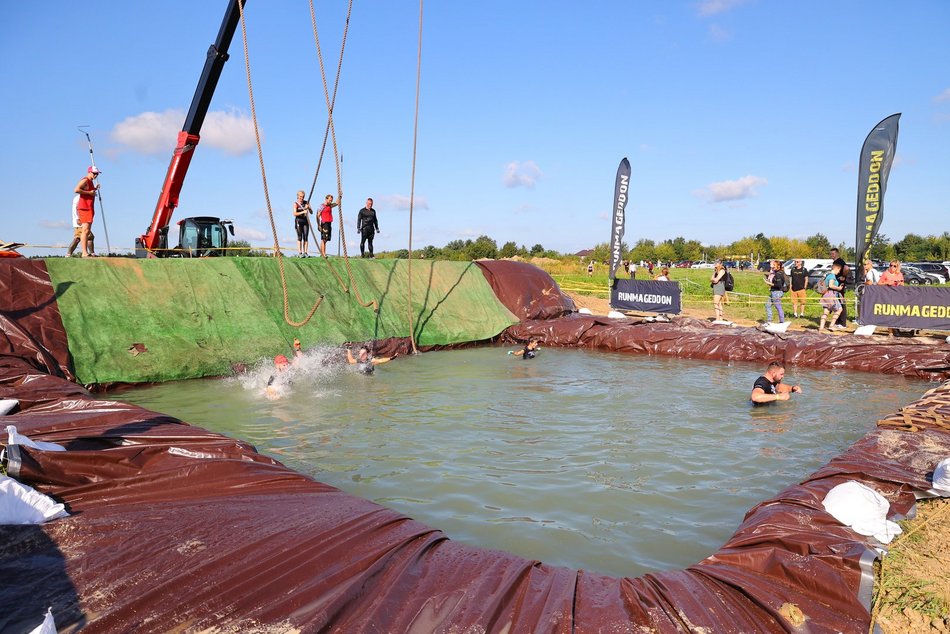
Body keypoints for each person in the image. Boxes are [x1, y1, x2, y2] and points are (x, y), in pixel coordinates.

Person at [74, 166, 100, 257]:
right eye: (94, 173)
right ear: (89, 172)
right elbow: (76, 189)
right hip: (84, 208)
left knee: (87, 230)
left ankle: (85, 252)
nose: (96, 175)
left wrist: (95, 189)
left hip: (89, 208)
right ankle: (84, 252)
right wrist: (90, 193)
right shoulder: (85, 180)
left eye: (97, 174)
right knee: (85, 230)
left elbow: (90, 191)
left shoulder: (91, 182)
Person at [818, 262, 845, 333]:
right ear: (836, 268)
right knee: (839, 309)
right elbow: (831, 285)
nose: (839, 272)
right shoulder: (832, 276)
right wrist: (838, 288)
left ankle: (821, 328)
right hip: (831, 295)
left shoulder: (827, 275)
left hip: (825, 295)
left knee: (826, 311)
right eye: (839, 270)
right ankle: (831, 325)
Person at [830, 248, 850, 328]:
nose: (831, 255)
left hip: (840, 285)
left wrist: (844, 276)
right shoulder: (835, 262)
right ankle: (838, 321)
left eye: (833, 254)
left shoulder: (840, 261)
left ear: (837, 254)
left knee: (841, 302)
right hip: (836, 284)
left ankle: (842, 323)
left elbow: (846, 268)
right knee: (836, 302)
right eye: (830, 254)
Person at [764, 259, 786, 323]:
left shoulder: (778, 274)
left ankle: (782, 322)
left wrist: (770, 284)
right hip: (773, 291)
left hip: (777, 292)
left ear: (778, 266)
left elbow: (779, 285)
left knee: (778, 307)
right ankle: (769, 320)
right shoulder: (778, 273)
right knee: (767, 305)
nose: (772, 267)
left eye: (774, 265)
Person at [292, 191, 313, 257]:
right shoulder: (295, 204)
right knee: (300, 237)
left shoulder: (306, 202)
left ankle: (305, 252)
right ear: (298, 196)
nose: (302, 198)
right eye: (300, 196)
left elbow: (311, 212)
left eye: (303, 197)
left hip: (305, 221)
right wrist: (303, 211)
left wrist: (308, 208)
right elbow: (294, 213)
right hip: (299, 220)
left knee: (306, 237)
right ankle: (300, 253)